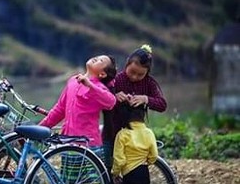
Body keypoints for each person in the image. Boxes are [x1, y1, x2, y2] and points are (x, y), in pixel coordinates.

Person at [103, 44, 167, 175]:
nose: (134, 77)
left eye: (140, 75)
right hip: (112, 132)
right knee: (110, 168)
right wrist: (113, 97)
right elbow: (101, 102)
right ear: (127, 65)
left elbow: (162, 105)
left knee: (132, 172)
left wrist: (146, 99)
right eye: (132, 72)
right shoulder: (115, 80)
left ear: (147, 73)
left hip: (134, 138)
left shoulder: (149, 83)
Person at [39, 54, 117, 160]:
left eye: (101, 61)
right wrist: (41, 127)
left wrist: (89, 85)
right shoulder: (72, 81)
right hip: (67, 143)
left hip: (88, 145)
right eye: (98, 57)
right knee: (68, 177)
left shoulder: (98, 88)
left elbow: (111, 102)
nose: (96, 59)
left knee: (90, 177)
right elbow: (59, 109)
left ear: (102, 74)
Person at [111, 104, 158, 184]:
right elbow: (154, 155)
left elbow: (120, 160)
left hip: (129, 174)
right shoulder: (149, 133)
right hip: (144, 172)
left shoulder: (122, 134)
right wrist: (146, 162)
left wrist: (115, 173)